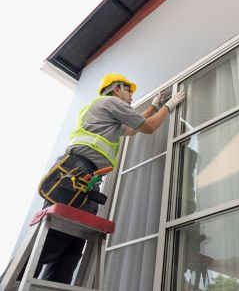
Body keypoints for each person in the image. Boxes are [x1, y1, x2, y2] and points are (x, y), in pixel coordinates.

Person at [26, 73, 185, 284]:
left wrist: (155, 106)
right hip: (77, 174)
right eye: (129, 91)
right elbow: (148, 127)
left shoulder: (105, 111)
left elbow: (131, 129)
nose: (131, 97)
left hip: (84, 177)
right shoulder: (110, 102)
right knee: (53, 240)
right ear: (117, 89)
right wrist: (170, 105)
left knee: (72, 245)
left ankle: (52, 287)